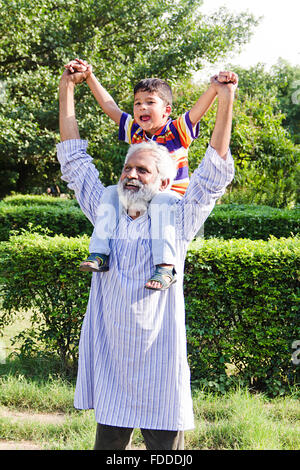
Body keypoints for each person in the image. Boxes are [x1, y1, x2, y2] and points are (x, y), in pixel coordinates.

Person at [57, 65, 237, 450]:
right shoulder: (105, 211)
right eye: (127, 168)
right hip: (113, 368)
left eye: (143, 169)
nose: (131, 175)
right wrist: (67, 89)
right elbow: (74, 161)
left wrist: (226, 101)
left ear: (164, 182)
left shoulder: (177, 218)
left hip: (161, 368)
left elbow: (212, 175)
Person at [64, 58, 237, 290]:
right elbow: (110, 107)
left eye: (149, 102)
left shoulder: (176, 131)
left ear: (166, 110)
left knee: (161, 206)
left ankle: (165, 266)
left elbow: (197, 111)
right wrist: (89, 77)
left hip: (170, 197)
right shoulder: (135, 131)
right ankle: (99, 253)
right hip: (140, 196)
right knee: (109, 193)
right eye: (137, 103)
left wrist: (216, 89)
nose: (142, 108)